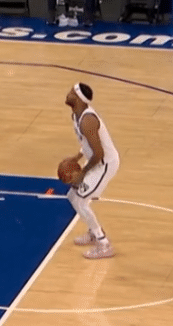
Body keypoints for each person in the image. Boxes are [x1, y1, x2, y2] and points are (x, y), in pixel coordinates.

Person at [64, 83, 119, 259]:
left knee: (81, 200)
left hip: (105, 163)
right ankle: (94, 232)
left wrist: (82, 173)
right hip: (95, 160)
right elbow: (86, 143)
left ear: (80, 99)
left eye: (72, 93)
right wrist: (77, 157)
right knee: (72, 196)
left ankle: (104, 244)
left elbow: (99, 153)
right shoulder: (76, 115)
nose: (68, 95)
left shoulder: (88, 120)